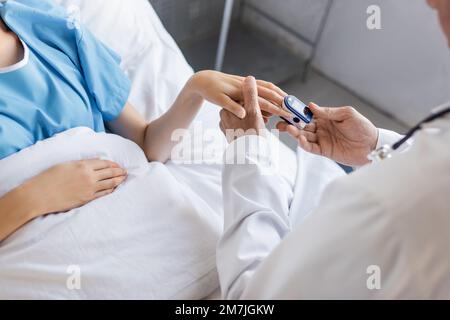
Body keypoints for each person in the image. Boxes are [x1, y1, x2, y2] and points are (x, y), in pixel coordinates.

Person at [0, 0, 290, 242]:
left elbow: (147, 146)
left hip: (130, 220)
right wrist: (34, 196)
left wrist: (195, 89)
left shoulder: (49, 28)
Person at [217, 0, 450, 299]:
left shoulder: (392, 205)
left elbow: (251, 299)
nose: (429, 2)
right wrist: (375, 147)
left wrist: (246, 152)